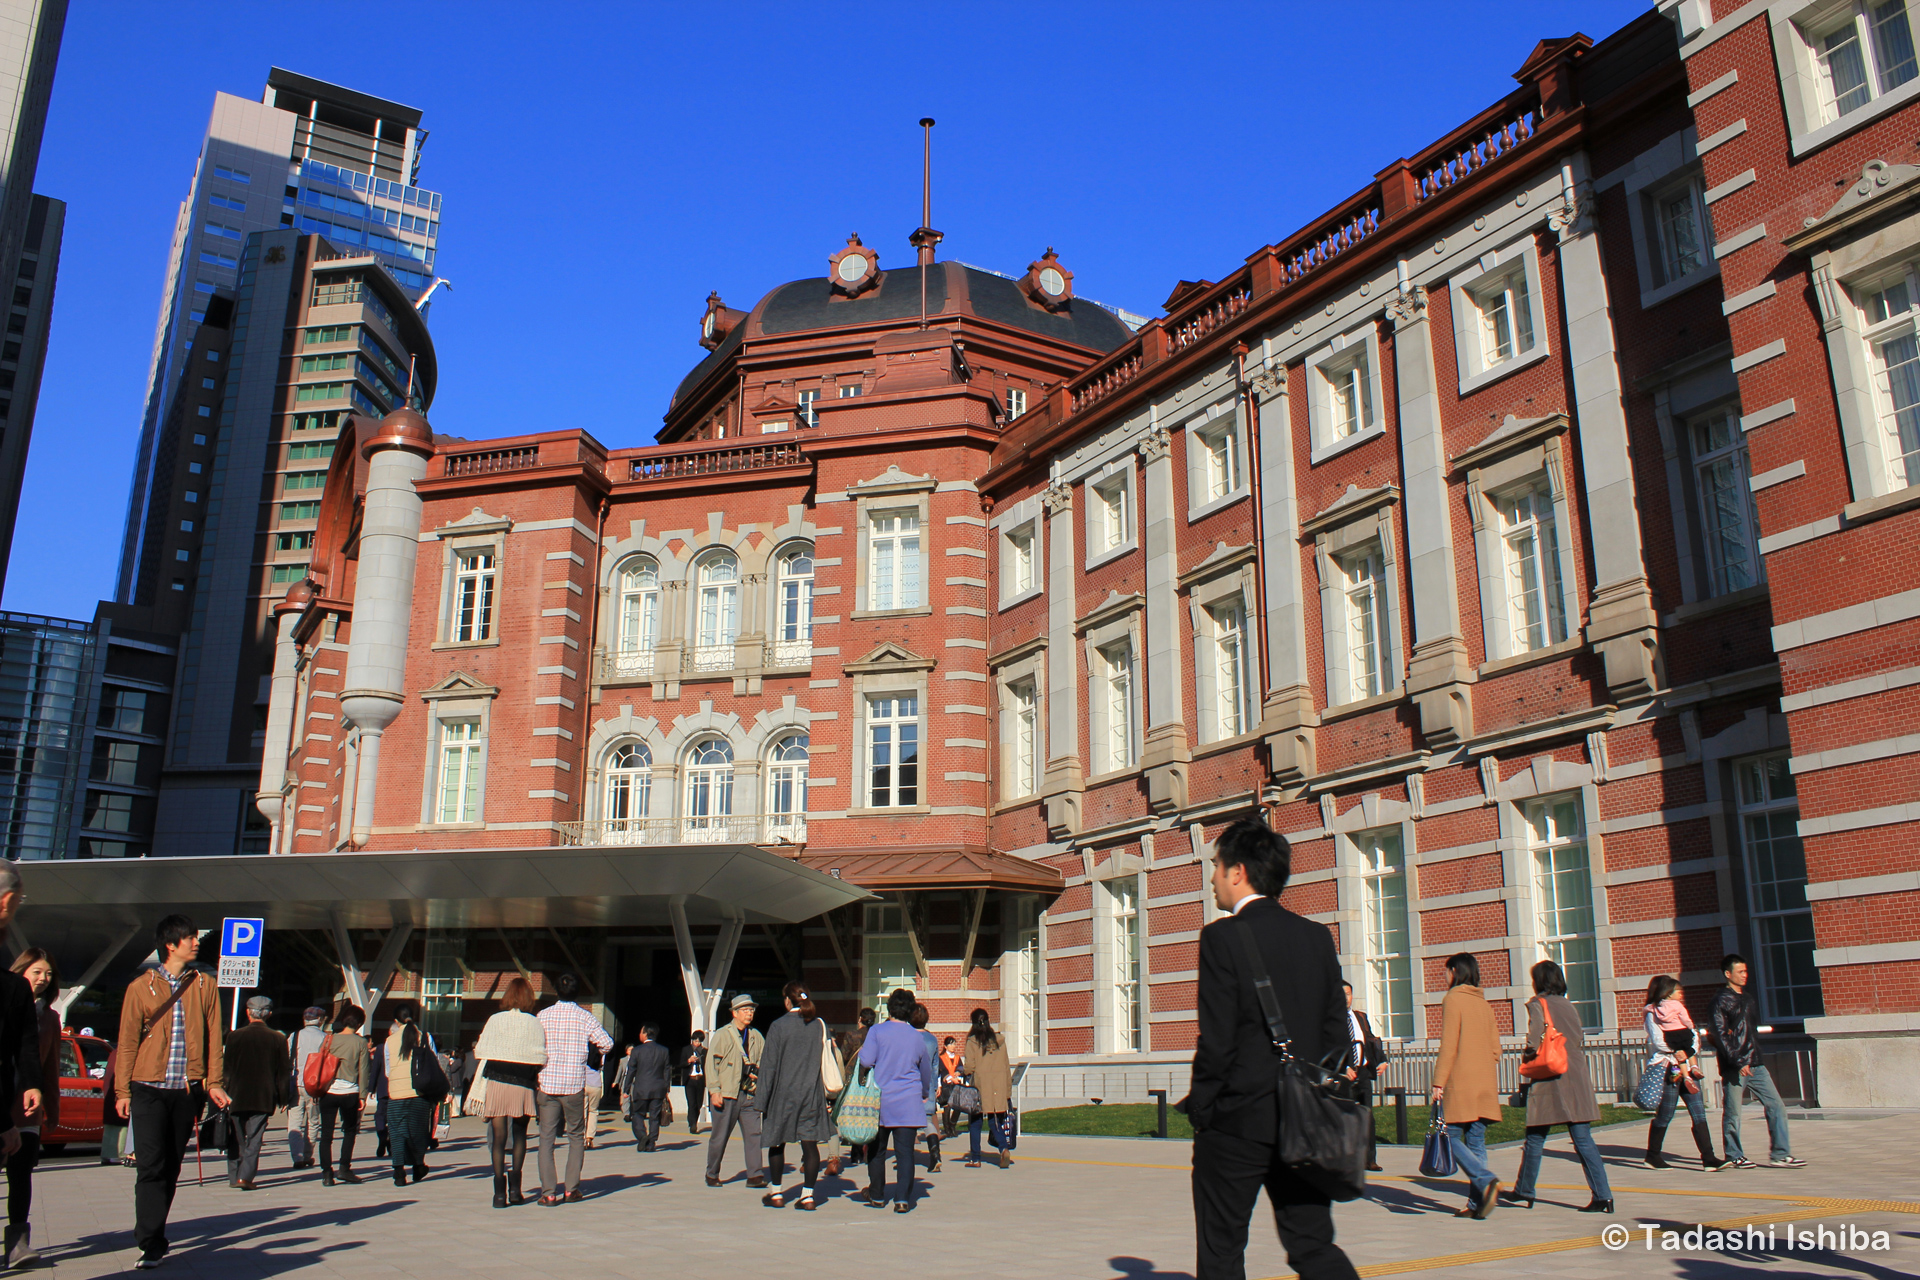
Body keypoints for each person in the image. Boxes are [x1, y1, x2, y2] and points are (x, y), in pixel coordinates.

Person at [1186, 816, 1358, 1280]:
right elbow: (1337, 1035)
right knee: (1312, 1245)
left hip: (1238, 1120)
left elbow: (1217, 1039)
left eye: (1216, 865)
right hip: (1306, 1121)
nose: (1213, 877)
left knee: (1221, 1249)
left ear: (1237, 871)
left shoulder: (1221, 936)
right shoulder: (1316, 936)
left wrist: (1201, 1106)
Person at [114, 913, 225, 1270]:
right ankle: (149, 1240)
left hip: (185, 1090)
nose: (196, 942)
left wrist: (214, 1083)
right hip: (147, 1087)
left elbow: (214, 1039)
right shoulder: (140, 987)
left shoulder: (205, 985)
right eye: (190, 938)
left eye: (196, 937)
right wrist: (122, 1091)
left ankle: (156, 1230)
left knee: (172, 1166)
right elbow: (128, 1041)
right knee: (150, 1164)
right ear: (170, 943)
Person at [1502, 961, 1613, 1213]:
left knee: (1534, 1137)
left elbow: (1534, 1039)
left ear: (1538, 981)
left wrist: (1528, 1056)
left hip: (1551, 1075)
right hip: (1576, 1073)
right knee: (1583, 1139)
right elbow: (1577, 1037)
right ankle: (1603, 1195)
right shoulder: (1568, 1005)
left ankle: (1524, 1190)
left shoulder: (1538, 1004)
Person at [1710, 953, 1801, 1171]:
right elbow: (1720, 1035)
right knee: (1733, 1112)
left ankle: (1780, 1154)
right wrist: (1738, 1061)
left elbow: (1749, 1033)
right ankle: (1734, 1155)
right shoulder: (1720, 1000)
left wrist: (1751, 1058)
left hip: (1756, 1062)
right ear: (1727, 974)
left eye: (1746, 971)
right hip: (1735, 1066)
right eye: (1740, 971)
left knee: (1776, 1105)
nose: (1744, 975)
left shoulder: (1748, 999)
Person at [750, 981, 835, 1210]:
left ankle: (776, 1193)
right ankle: (807, 1196)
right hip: (811, 1092)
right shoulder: (818, 1024)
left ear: (788, 1000)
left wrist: (761, 1101)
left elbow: (769, 1066)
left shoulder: (779, 1025)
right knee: (810, 1145)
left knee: (777, 1142)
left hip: (782, 1094)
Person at [1431, 953, 1500, 1220]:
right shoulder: (1483, 1003)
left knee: (1447, 1135)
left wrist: (1439, 1081)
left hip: (1461, 1080)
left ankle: (1485, 1178)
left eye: (1445, 971)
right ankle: (1477, 1203)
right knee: (1476, 1139)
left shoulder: (1453, 999)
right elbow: (1497, 1049)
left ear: (1455, 971)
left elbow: (1449, 1044)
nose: (1443, 976)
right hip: (1485, 1080)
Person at [534, 973, 611, 1205]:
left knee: (546, 1138)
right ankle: (571, 1189)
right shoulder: (584, 1017)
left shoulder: (543, 1016)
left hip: (547, 1083)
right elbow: (607, 1043)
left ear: (556, 990)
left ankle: (548, 1192)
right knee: (576, 1136)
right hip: (574, 1084)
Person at [858, 987, 934, 1213]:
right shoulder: (916, 1036)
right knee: (905, 1153)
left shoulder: (877, 1032)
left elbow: (866, 1060)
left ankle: (877, 1195)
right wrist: (923, 1093)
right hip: (908, 1101)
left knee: (877, 1151)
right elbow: (926, 1071)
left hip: (880, 1101)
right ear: (910, 1011)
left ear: (889, 1008)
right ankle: (902, 1199)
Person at [473, 976, 546, 1208]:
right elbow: (540, 1056)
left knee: (498, 1137)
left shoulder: (495, 1019)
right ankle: (516, 1189)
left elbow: (481, 1049)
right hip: (523, 1082)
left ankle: (498, 1192)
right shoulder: (533, 1022)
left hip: (497, 1080)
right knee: (520, 1135)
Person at [5, 948, 57, 1267]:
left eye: (48, 974)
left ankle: (18, 1244)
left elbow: (50, 1066)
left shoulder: (50, 1017)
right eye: (37, 972)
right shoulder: (6, 1004)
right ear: (21, 972)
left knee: (21, 1174)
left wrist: (51, 1109)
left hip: (28, 1106)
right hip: (2, 1100)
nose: (42, 979)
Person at [1641, 976, 1723, 1170]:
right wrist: (1675, 1051)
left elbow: (1692, 1032)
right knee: (1666, 1114)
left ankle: (1709, 1158)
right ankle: (1652, 1156)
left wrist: (1688, 1051)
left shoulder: (1679, 1010)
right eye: (1677, 990)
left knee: (1699, 1113)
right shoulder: (1653, 1013)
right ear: (1666, 992)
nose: (1681, 994)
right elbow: (1658, 1041)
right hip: (1670, 1067)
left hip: (1687, 1065)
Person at [220, 995, 291, 1191]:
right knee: (255, 1137)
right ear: (268, 1014)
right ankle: (246, 1176)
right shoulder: (277, 1038)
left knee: (236, 1135)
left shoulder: (234, 1036)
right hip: (263, 1095)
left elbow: (226, 1069)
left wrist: (222, 1091)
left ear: (247, 1012)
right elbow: (283, 1071)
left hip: (235, 1093)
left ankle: (234, 1175)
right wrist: (283, 1097)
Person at [704, 995, 766, 1188]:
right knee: (720, 1136)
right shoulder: (723, 1035)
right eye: (745, 1010)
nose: (750, 1013)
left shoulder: (756, 1035)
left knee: (754, 1135)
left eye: (752, 1010)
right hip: (727, 1094)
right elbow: (711, 1064)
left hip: (749, 1094)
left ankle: (755, 1175)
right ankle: (712, 1173)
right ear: (734, 1013)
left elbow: (765, 1062)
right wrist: (714, 1090)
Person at [316, 1005, 371, 1187]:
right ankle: (344, 1168)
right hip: (350, 1091)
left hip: (328, 1090)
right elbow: (363, 1070)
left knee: (326, 1134)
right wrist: (363, 1096)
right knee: (349, 1131)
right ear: (359, 1023)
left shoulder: (329, 1040)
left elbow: (319, 1063)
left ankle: (326, 1173)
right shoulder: (361, 1043)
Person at [381, 1003, 434, 1186]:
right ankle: (418, 1166)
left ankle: (398, 1171)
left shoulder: (390, 1041)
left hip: (396, 1093)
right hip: (420, 1092)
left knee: (396, 1132)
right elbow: (432, 1063)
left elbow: (388, 1070)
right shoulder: (425, 1037)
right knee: (418, 1132)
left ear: (396, 1021)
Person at [958, 1008, 1013, 1169]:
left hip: (980, 1087)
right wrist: (1008, 1092)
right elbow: (1006, 1066)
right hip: (999, 1086)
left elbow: (969, 1067)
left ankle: (976, 1158)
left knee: (975, 1123)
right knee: (995, 1121)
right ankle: (1003, 1149)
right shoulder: (1000, 1040)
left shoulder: (973, 1042)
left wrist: (962, 1071)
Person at [1341, 983, 1385, 1173]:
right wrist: (1342, 1068)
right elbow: (1329, 1046)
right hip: (1345, 1076)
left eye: (1349, 994)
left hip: (1364, 1072)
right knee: (1347, 1118)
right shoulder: (1332, 1020)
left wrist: (1382, 1060)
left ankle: (1370, 1159)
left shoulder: (1360, 1017)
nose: (1346, 998)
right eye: (1341, 994)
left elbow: (1371, 1039)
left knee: (1368, 1117)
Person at [285, 1006, 327, 1169]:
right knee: (313, 1121)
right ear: (321, 1020)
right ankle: (308, 1154)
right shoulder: (325, 1038)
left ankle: (297, 1157)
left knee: (294, 1122)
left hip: (295, 1083)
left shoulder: (294, 1036)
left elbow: (288, 1058)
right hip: (315, 1085)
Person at [622, 1024, 670, 1153]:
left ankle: (642, 1136)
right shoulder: (664, 1050)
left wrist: (626, 1089)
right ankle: (651, 1142)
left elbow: (631, 1071)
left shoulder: (637, 1051)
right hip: (658, 1089)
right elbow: (667, 1071)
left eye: (641, 1032)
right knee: (654, 1116)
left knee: (638, 1114)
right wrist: (666, 1088)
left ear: (646, 1034)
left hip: (641, 1088)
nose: (639, 1034)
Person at [909, 1003, 943, 1172]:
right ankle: (935, 1154)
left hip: (908, 1084)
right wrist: (936, 1084)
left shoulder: (907, 1037)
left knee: (907, 1124)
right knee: (928, 1120)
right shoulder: (932, 1039)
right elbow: (935, 1065)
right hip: (927, 1084)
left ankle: (906, 1157)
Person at [841, 1008, 877, 1166]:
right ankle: (870, 1151)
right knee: (872, 1113)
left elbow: (844, 1056)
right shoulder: (877, 1036)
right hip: (873, 1078)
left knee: (856, 1113)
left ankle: (855, 1153)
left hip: (854, 1078)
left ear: (860, 1019)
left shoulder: (852, 1035)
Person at [681, 1031, 707, 1134]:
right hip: (690, 1080)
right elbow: (680, 1064)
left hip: (700, 1079)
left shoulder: (704, 1052)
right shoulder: (686, 1050)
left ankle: (694, 1120)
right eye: (695, 1040)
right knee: (691, 1103)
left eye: (699, 1041)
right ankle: (693, 1125)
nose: (697, 1043)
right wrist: (688, 1061)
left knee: (698, 1104)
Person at [582, 1039, 606, 1150]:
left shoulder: (582, 1054)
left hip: (583, 1083)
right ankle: (589, 1138)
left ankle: (581, 1136)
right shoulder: (598, 1052)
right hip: (596, 1083)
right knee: (593, 1110)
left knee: (583, 1111)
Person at [937, 1036, 961, 1136]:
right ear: (945, 1046)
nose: (953, 1046)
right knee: (947, 1106)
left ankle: (952, 1125)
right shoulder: (941, 1058)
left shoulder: (957, 1058)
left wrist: (959, 1073)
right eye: (950, 1044)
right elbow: (942, 1072)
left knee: (958, 1106)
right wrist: (950, 1078)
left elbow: (961, 1068)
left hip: (956, 1085)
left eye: (954, 1043)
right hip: (946, 1085)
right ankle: (947, 1129)